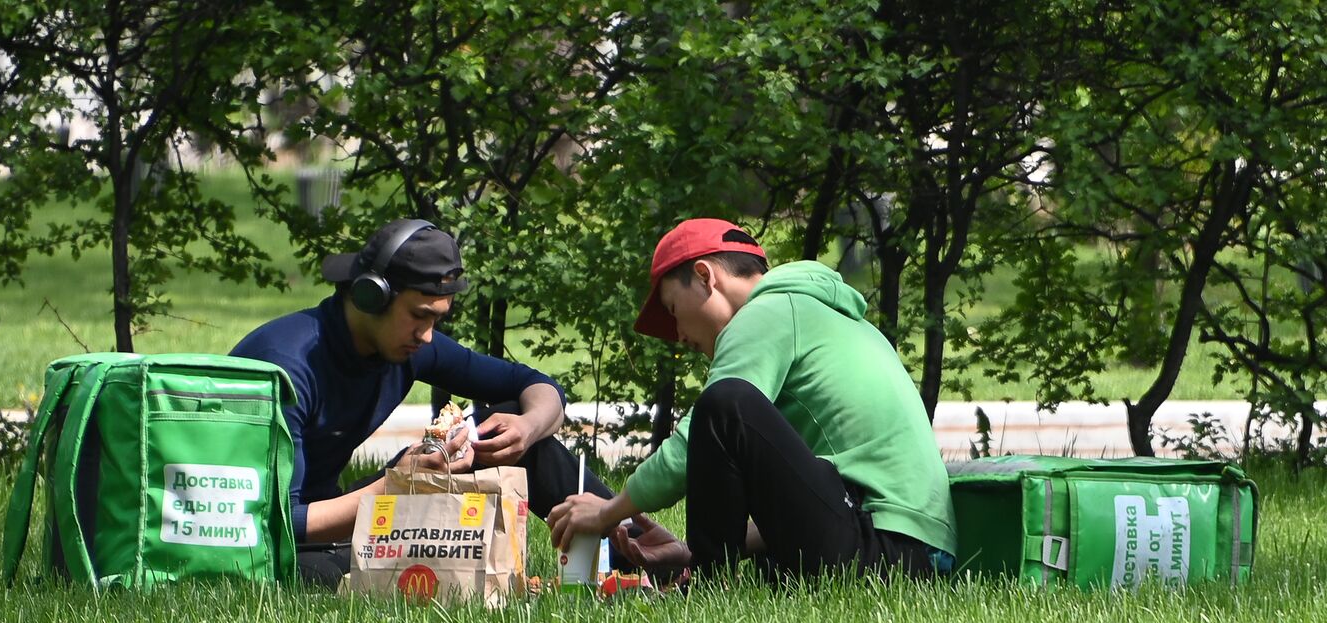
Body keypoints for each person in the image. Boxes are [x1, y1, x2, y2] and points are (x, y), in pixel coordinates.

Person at [548, 218, 957, 584]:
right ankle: (700, 568)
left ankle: (707, 587)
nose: (679, 336)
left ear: (705, 276)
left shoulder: (767, 314)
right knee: (729, 408)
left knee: (724, 404)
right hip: (913, 550)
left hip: (886, 548)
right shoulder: (822, 315)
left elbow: (694, 440)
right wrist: (690, 550)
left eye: (673, 310)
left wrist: (606, 512)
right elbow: (818, 494)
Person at [232, 219, 617, 588]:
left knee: (507, 428)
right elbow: (275, 522)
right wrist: (399, 485)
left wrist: (527, 428)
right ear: (370, 296)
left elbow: (537, 386)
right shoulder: (287, 368)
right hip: (264, 542)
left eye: (437, 319)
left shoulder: (406, 345)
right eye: (419, 316)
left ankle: (639, 551)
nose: (428, 337)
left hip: (326, 517)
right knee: (331, 576)